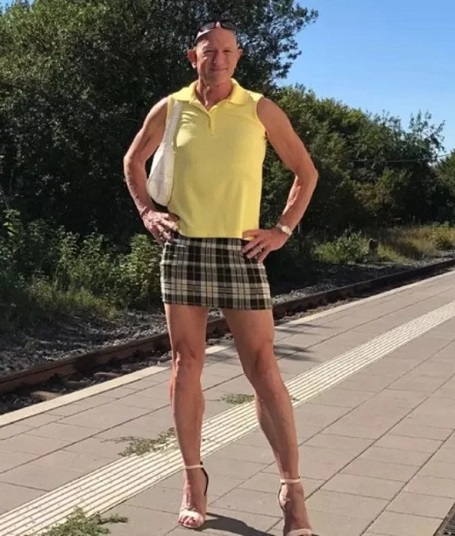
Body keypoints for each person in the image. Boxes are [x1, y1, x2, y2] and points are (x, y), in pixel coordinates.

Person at [123, 19, 318, 536]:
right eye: (210, 52)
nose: (219, 59)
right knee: (185, 364)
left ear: (238, 57)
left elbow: (306, 172)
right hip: (184, 248)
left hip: (241, 250)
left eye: (228, 51)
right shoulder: (171, 107)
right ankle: (193, 479)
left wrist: (281, 229)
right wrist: (147, 212)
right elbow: (132, 160)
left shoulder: (260, 108)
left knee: (264, 368)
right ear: (194, 57)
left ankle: (292, 489)